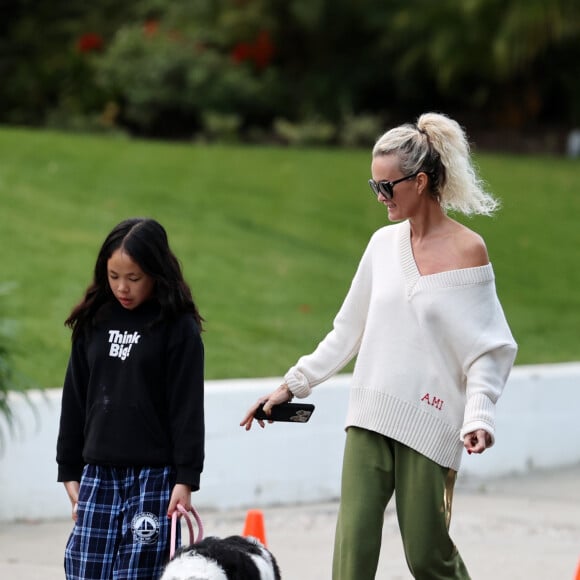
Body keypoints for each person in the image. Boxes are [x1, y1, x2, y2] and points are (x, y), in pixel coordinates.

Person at [241, 112, 517, 579]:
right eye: (375, 187)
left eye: (387, 186)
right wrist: (292, 385)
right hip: (369, 414)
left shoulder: (469, 250)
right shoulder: (381, 246)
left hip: (431, 422)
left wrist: (479, 415)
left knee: (428, 555)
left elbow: (488, 347)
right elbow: (347, 331)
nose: (380, 197)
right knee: (353, 554)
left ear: (422, 181)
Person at [56, 217, 205, 580]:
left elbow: (187, 408)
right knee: (85, 569)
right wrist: (68, 468)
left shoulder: (178, 327)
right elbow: (75, 396)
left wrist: (185, 479)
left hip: (153, 479)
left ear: (156, 272)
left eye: (134, 278)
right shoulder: (94, 320)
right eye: (113, 276)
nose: (122, 288)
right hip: (98, 474)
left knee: (138, 573)